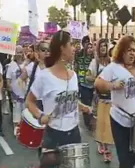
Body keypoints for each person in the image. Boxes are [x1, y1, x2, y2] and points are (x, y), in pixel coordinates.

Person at [25, 30, 90, 168]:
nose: (74, 48)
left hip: (74, 134)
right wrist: (40, 115)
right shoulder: (44, 76)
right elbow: (29, 101)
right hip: (53, 136)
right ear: (62, 48)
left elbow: (69, 100)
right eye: (71, 44)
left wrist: (82, 106)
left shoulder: (73, 76)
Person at [94, 35, 135, 168]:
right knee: (125, 158)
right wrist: (113, 85)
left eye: (134, 50)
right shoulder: (113, 67)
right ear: (121, 51)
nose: (132, 53)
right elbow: (98, 83)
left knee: (134, 156)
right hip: (119, 119)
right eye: (129, 50)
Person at [87, 39, 113, 162]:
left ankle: (106, 147)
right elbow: (87, 77)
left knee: (108, 123)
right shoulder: (94, 62)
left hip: (110, 97)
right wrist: (98, 80)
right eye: (101, 46)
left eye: (105, 46)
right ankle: (100, 143)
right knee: (99, 122)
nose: (103, 48)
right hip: (98, 96)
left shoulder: (111, 62)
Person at [6, 46, 25, 136]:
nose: (19, 54)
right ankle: (16, 129)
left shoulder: (26, 64)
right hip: (15, 94)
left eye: (20, 52)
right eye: (17, 52)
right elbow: (8, 80)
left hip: (25, 94)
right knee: (16, 112)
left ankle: (24, 130)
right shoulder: (11, 66)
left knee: (25, 113)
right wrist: (11, 92)